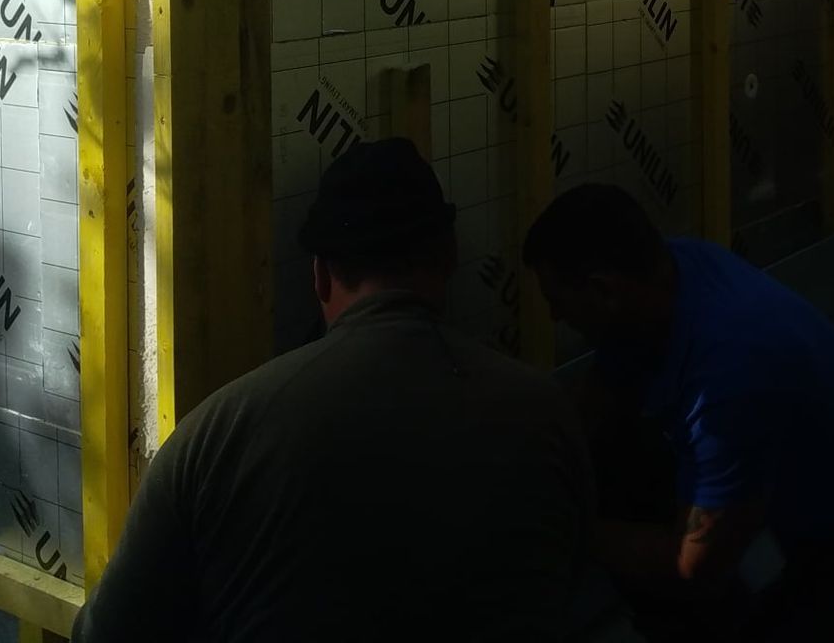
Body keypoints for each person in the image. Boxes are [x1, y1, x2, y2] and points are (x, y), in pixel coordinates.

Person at [72, 139, 597, 643]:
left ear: (320, 276)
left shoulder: (218, 434)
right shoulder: (545, 411)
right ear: (449, 258)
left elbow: (108, 632)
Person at [523, 184, 834, 643]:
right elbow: (602, 393)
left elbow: (693, 568)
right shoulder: (667, 274)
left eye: (557, 301)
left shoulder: (729, 371)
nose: (555, 316)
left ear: (603, 291)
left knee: (731, 600)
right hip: (779, 494)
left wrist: (568, 526)